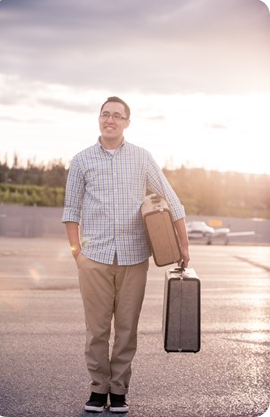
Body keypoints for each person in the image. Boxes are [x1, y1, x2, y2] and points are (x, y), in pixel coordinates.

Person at [62, 96, 190, 414]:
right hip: (94, 258)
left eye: (117, 116)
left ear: (127, 122)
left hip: (134, 258)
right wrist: (77, 254)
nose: (110, 120)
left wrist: (184, 246)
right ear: (99, 119)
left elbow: (173, 202)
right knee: (97, 329)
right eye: (105, 114)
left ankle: (118, 390)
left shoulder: (141, 158)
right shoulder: (81, 160)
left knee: (127, 328)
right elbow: (70, 212)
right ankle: (97, 388)